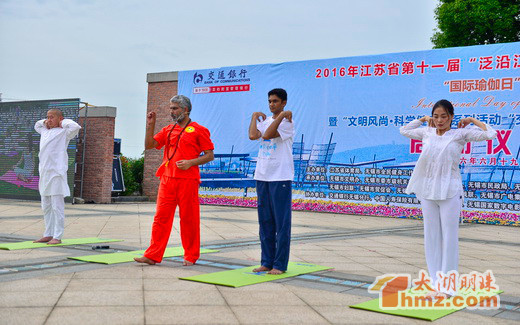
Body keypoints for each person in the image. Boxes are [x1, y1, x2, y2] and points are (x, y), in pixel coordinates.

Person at [400, 99, 496, 297]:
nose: (440, 120)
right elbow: (405, 130)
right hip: (427, 191)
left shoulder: (459, 134)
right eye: (436, 116)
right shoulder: (426, 132)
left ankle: (448, 287)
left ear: (452, 117)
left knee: (449, 238)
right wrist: (423, 119)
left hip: (450, 191)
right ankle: (435, 284)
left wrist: (472, 120)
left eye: (444, 116)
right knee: (432, 237)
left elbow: (490, 134)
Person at [134, 95, 214, 266]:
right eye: (170, 108)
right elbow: (149, 145)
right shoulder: (168, 129)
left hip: (188, 180)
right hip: (167, 179)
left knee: (189, 219)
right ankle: (152, 255)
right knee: (161, 218)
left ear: (185, 110)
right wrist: (150, 125)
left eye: (175, 108)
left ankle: (191, 255)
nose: (171, 111)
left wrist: (191, 162)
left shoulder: (199, 129)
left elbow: (209, 155)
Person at [248, 88, 295, 275]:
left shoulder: (288, 123)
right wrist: (253, 117)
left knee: (281, 223)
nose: (271, 104)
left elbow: (267, 135)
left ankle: (279, 264)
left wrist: (282, 115)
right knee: (265, 221)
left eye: (275, 101)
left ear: (283, 102)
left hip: (280, 176)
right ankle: (266, 261)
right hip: (262, 176)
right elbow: (253, 135)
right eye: (269, 101)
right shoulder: (268, 120)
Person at [33, 109, 81, 245]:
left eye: (52, 117)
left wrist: (62, 123)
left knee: (57, 206)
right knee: (46, 206)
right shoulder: (44, 130)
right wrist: (45, 122)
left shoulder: (64, 132)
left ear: (60, 118)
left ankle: (57, 236)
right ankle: (48, 234)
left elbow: (75, 126)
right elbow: (37, 125)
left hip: (56, 174)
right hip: (44, 173)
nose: (49, 119)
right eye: (47, 117)